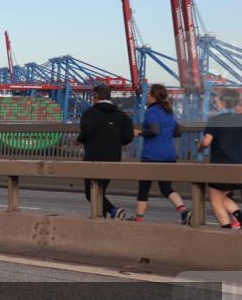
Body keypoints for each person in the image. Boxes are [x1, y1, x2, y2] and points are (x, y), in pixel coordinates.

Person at [77, 84, 134, 219]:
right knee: (100, 190)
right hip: (113, 158)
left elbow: (87, 131)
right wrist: (115, 143)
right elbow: (128, 137)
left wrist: (80, 139)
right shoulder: (122, 116)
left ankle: (114, 211)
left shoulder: (90, 113)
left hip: (93, 158)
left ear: (96, 97)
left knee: (90, 193)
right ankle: (100, 219)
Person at [134, 84, 190, 224]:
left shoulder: (151, 112)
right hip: (169, 156)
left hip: (152, 155)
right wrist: (166, 135)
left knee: (144, 188)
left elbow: (154, 130)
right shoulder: (168, 112)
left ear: (153, 97)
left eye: (148, 95)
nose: (146, 97)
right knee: (166, 188)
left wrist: (140, 132)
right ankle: (184, 212)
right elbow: (178, 132)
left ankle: (139, 220)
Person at [199, 88, 242, 230]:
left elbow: (206, 142)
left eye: (218, 99)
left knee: (215, 197)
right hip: (239, 166)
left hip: (221, 165)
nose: (215, 100)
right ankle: (237, 216)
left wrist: (200, 148)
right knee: (223, 196)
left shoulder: (216, 120)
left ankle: (227, 229)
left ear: (223, 102)